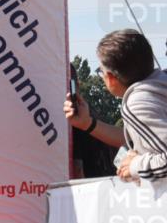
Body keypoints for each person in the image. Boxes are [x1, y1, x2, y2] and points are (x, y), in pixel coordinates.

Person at [64, 29, 167, 181]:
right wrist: (87, 124)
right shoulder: (159, 85)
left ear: (111, 77)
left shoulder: (137, 104)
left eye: (101, 71)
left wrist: (135, 166)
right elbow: (133, 136)